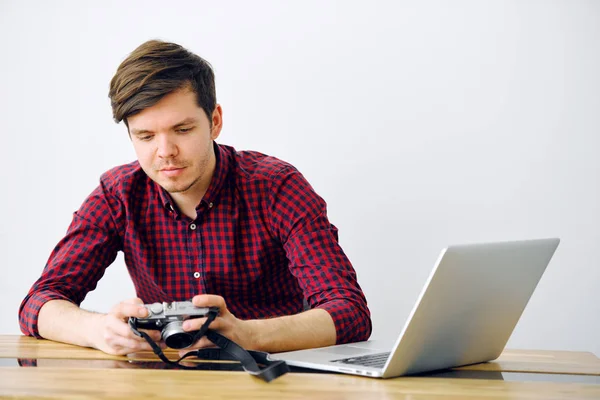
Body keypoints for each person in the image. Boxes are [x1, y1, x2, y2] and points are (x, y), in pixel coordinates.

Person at [19, 40, 371, 356]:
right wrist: (98, 330)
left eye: (183, 130)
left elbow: (350, 312)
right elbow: (39, 302)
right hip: (169, 381)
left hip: (278, 378)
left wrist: (247, 334)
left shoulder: (277, 186)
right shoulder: (118, 194)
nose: (165, 152)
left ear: (215, 121)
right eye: (145, 136)